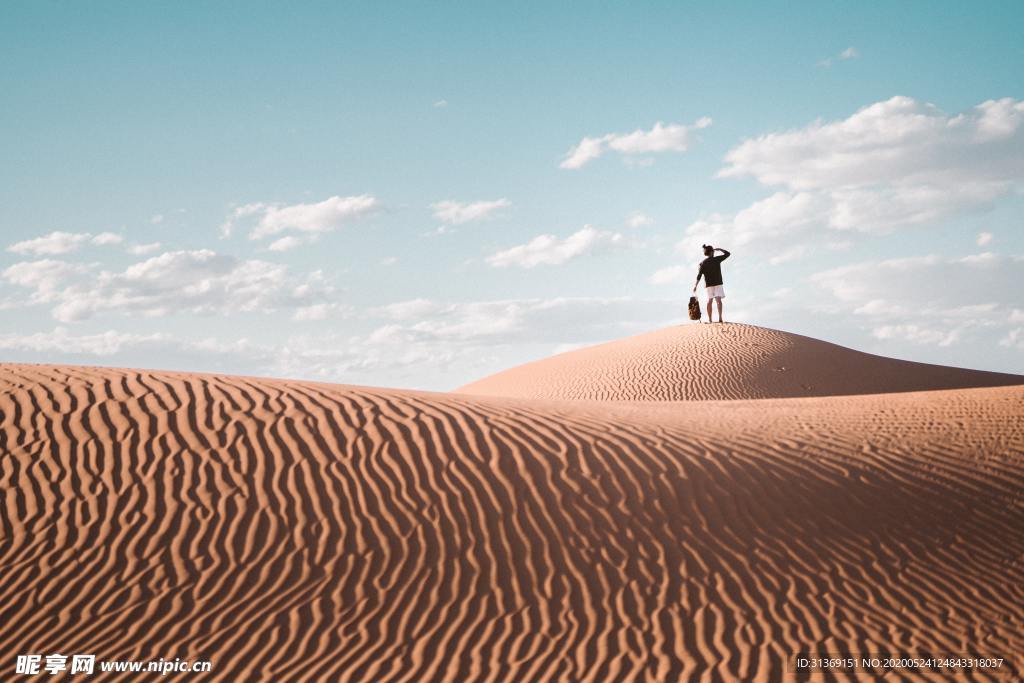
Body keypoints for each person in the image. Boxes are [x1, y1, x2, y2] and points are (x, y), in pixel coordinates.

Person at [692, 244, 730, 323]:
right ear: (712, 252)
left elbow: (699, 275)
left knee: (710, 301)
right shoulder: (717, 259)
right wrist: (720, 249)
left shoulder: (703, 263)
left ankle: (710, 319)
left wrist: (695, 285)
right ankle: (720, 318)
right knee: (718, 300)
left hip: (709, 284)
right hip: (718, 283)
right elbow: (728, 254)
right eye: (713, 251)